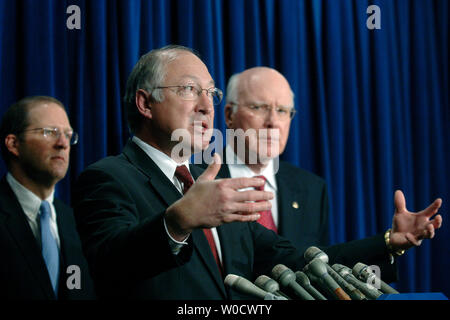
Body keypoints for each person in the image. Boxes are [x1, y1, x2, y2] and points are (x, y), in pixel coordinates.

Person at [73, 45, 443, 299]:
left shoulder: (217, 185)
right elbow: (109, 265)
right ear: (145, 102)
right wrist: (177, 221)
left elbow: (300, 260)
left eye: (212, 94)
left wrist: (387, 242)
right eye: (189, 90)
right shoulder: (107, 179)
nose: (206, 106)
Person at [0, 96, 95, 300]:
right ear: (13, 144)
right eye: (49, 132)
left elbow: (78, 288)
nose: (63, 144)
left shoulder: (76, 223)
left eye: (68, 135)